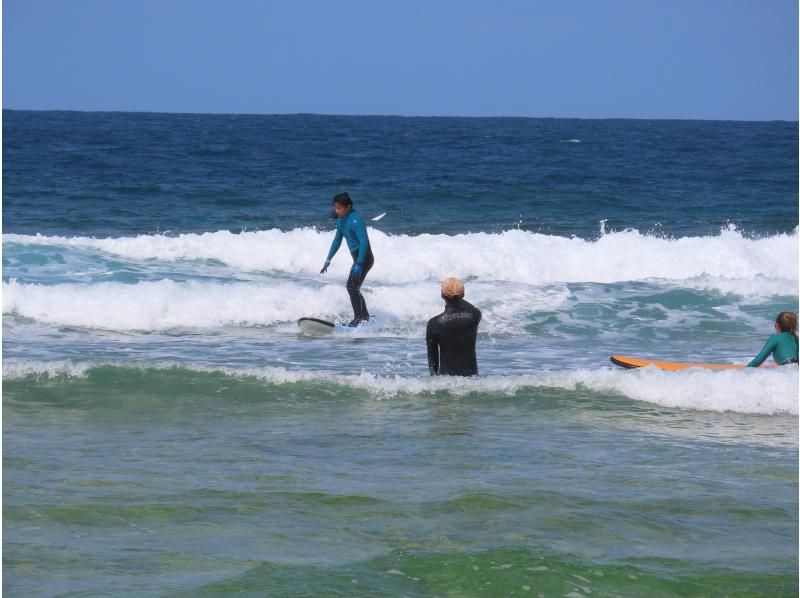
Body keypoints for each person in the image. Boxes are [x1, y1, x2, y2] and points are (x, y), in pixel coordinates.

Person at [320, 192, 375, 327]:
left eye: (339, 208)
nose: (336, 211)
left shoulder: (356, 220)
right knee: (354, 287)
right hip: (357, 259)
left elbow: (363, 242)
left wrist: (360, 263)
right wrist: (328, 260)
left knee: (351, 287)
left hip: (364, 258)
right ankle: (365, 317)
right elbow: (337, 240)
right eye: (335, 208)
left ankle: (358, 319)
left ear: (348, 207)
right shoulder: (341, 219)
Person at [426, 277, 482, 376]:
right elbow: (472, 307)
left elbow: (433, 362)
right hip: (473, 379)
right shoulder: (475, 315)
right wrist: (457, 296)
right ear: (463, 295)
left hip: (447, 382)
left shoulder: (434, 324)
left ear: (442, 295)